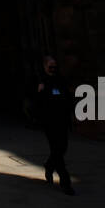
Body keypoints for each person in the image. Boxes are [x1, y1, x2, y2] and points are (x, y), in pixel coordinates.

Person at [34, 55, 75, 195]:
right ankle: (66, 182)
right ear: (45, 66)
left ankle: (49, 165)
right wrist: (39, 92)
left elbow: (68, 99)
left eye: (54, 65)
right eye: (50, 65)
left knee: (62, 148)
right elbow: (36, 103)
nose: (53, 68)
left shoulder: (60, 80)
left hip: (62, 121)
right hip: (49, 122)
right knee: (57, 151)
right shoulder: (41, 81)